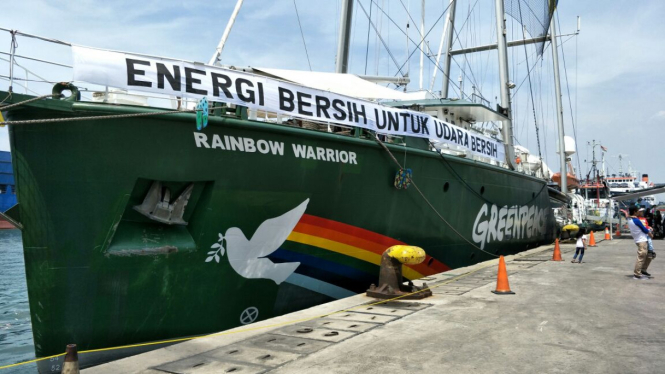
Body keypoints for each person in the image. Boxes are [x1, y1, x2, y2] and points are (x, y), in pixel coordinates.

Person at [628, 206, 654, 280]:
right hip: (641, 240)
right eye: (637, 211)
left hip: (638, 239)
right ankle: (637, 274)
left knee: (648, 255)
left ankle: (642, 270)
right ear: (634, 212)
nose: (638, 212)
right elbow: (644, 229)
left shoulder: (629, 219)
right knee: (641, 257)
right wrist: (651, 234)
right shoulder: (636, 220)